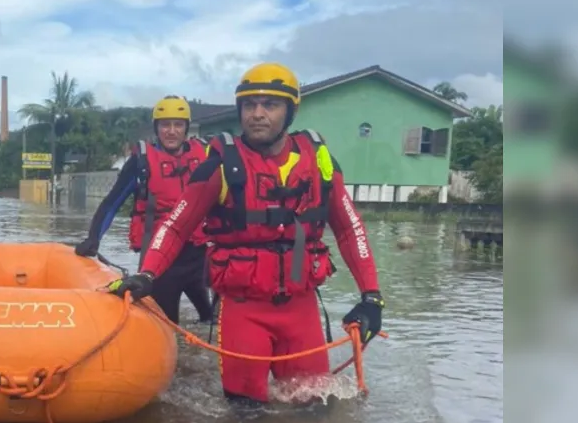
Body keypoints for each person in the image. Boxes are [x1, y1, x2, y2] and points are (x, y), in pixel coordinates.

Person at [111, 63, 384, 405]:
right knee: (246, 416)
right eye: (249, 106)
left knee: (316, 412)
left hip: (301, 310)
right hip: (243, 311)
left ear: (290, 112)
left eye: (270, 105)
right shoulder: (221, 165)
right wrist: (146, 274)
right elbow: (176, 225)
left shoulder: (319, 159)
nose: (257, 114)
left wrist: (371, 296)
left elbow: (350, 228)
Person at [75, 95, 215, 325]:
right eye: (165, 124)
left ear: (187, 128)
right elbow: (112, 203)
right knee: (168, 327)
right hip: (160, 260)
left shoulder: (205, 157)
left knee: (210, 320)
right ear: (156, 128)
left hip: (198, 256)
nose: (171, 131)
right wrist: (93, 237)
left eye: (178, 125)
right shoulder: (141, 163)